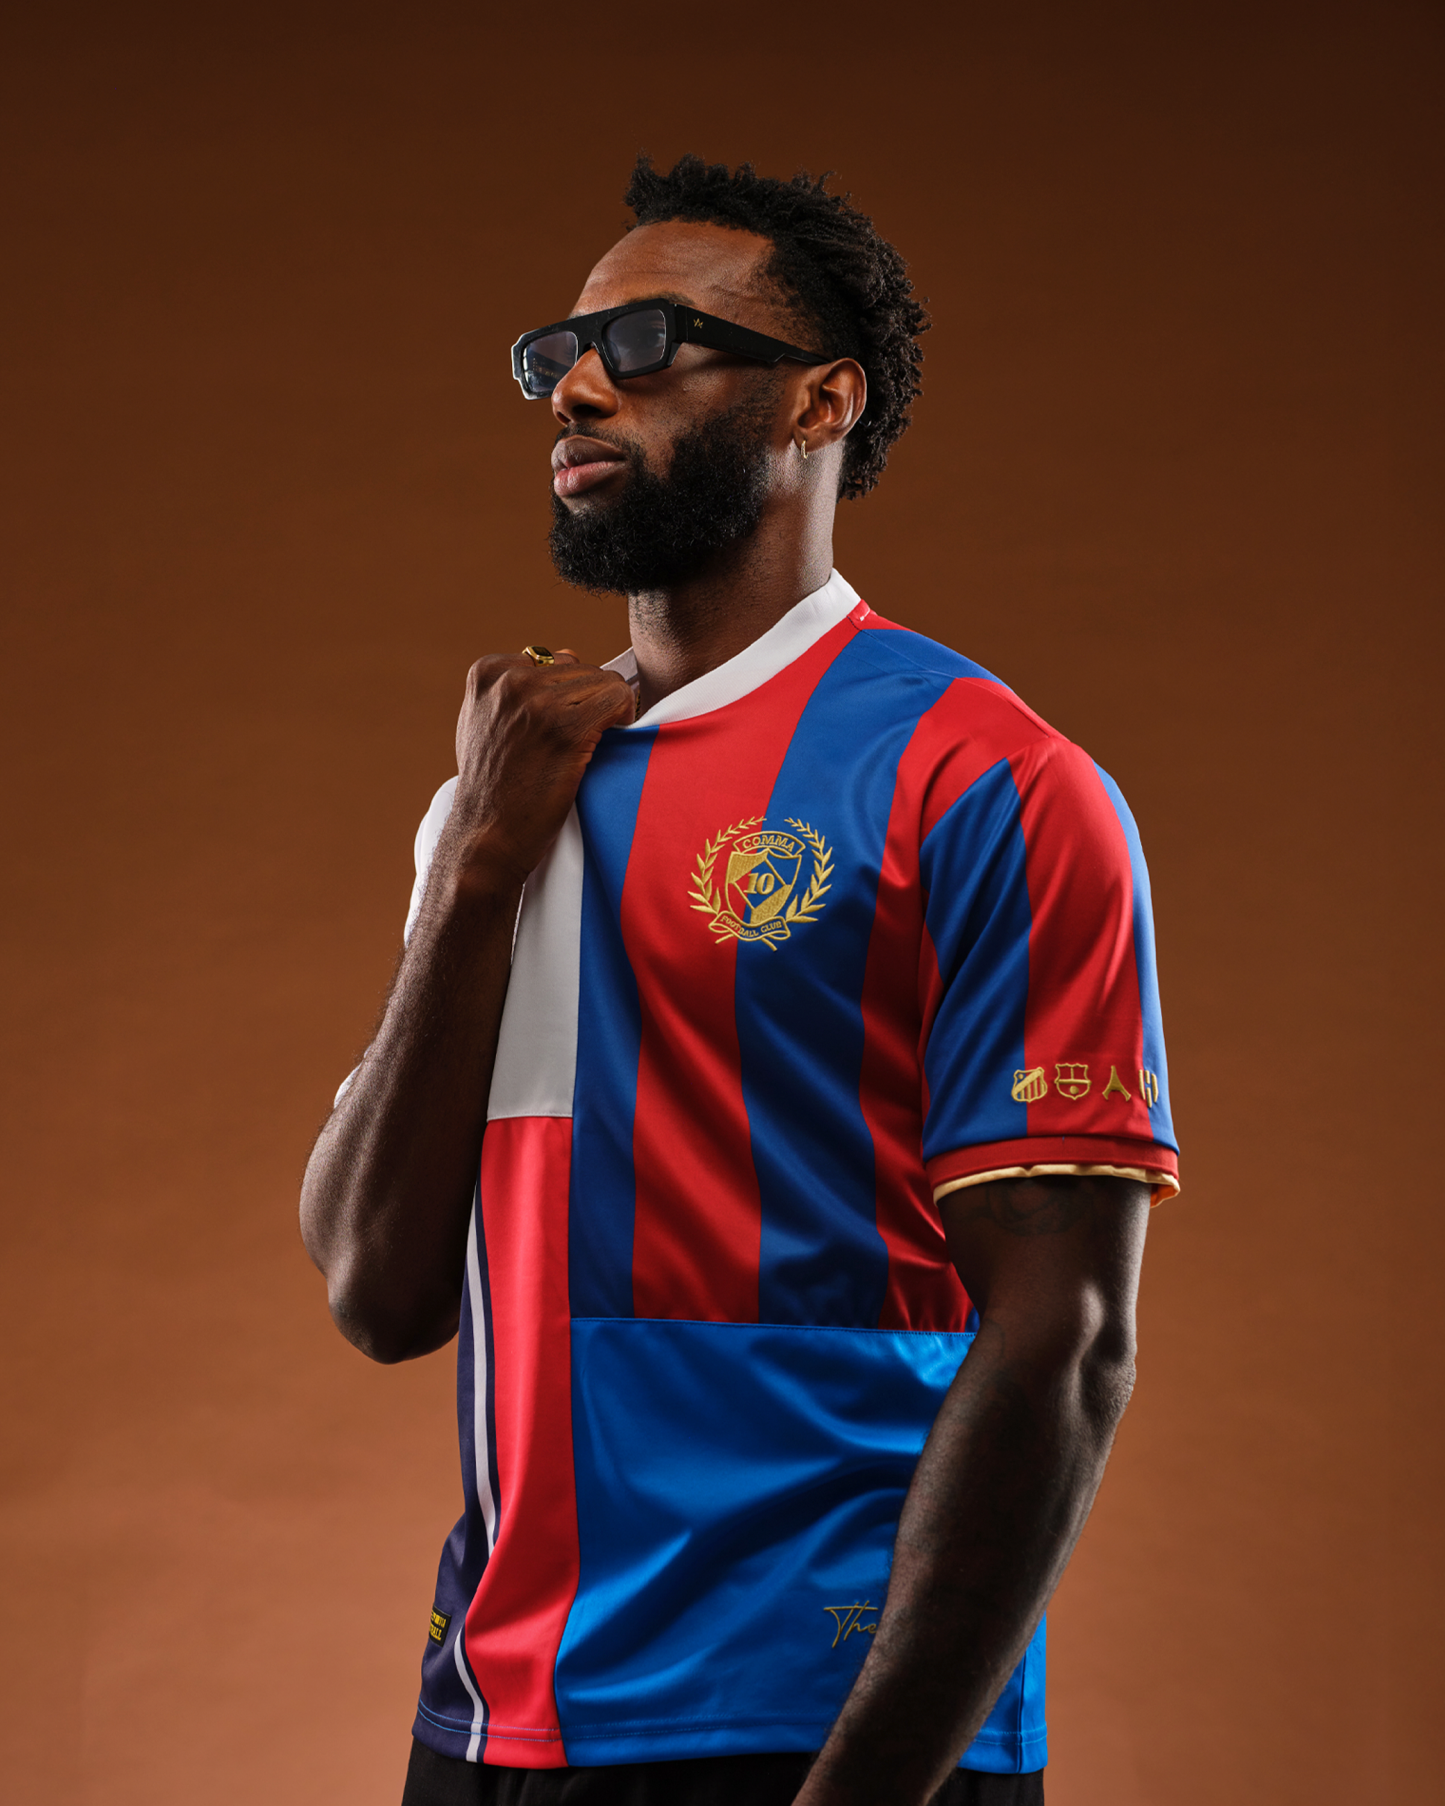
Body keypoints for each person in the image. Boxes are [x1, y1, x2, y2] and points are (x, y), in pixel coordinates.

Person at [299, 154, 1179, 1806]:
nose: (575, 386)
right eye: (558, 351)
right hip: (491, 1721)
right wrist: (477, 864)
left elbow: (1063, 1342)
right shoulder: (503, 791)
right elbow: (378, 1290)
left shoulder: (986, 781)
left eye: (645, 343)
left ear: (819, 403)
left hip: (821, 1738)